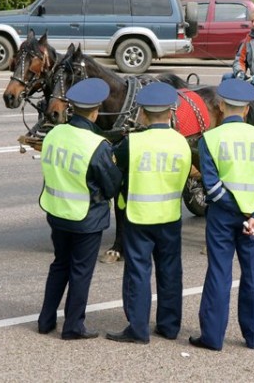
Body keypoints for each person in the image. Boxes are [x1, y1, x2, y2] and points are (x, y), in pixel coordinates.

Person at [189, 79, 254, 351]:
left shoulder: (210, 139)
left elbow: (212, 186)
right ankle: (253, 337)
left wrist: (236, 208)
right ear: (247, 110)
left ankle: (213, 338)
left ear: (219, 106)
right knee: (253, 274)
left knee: (219, 272)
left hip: (222, 216)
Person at [106, 82, 192, 345]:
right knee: (170, 272)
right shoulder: (182, 143)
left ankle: (138, 329)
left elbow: (114, 172)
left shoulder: (131, 143)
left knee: (138, 272)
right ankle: (168, 326)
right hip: (169, 216)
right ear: (171, 112)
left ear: (142, 113)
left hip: (138, 216)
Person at [37, 77, 122, 340]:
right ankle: (73, 326)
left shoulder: (53, 134)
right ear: (95, 112)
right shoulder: (97, 145)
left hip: (56, 212)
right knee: (80, 271)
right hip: (86, 218)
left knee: (59, 264)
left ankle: (45, 320)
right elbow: (111, 185)